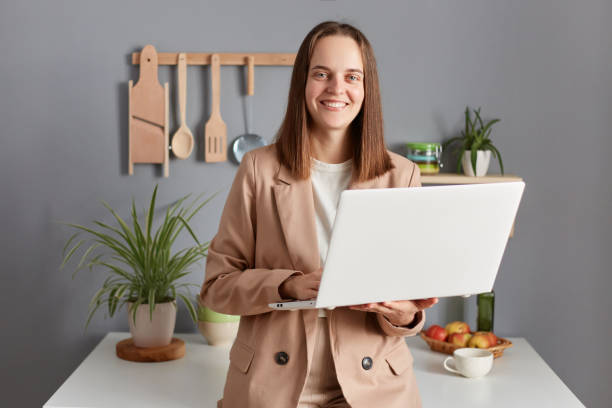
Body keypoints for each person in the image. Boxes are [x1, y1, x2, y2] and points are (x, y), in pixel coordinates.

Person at [200, 21, 438, 408]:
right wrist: (287, 285)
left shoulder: (401, 174)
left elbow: (412, 303)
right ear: (302, 84)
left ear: (367, 88)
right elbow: (217, 286)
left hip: (374, 384)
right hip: (270, 385)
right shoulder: (258, 169)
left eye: (352, 76)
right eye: (321, 74)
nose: (336, 89)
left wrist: (404, 312)